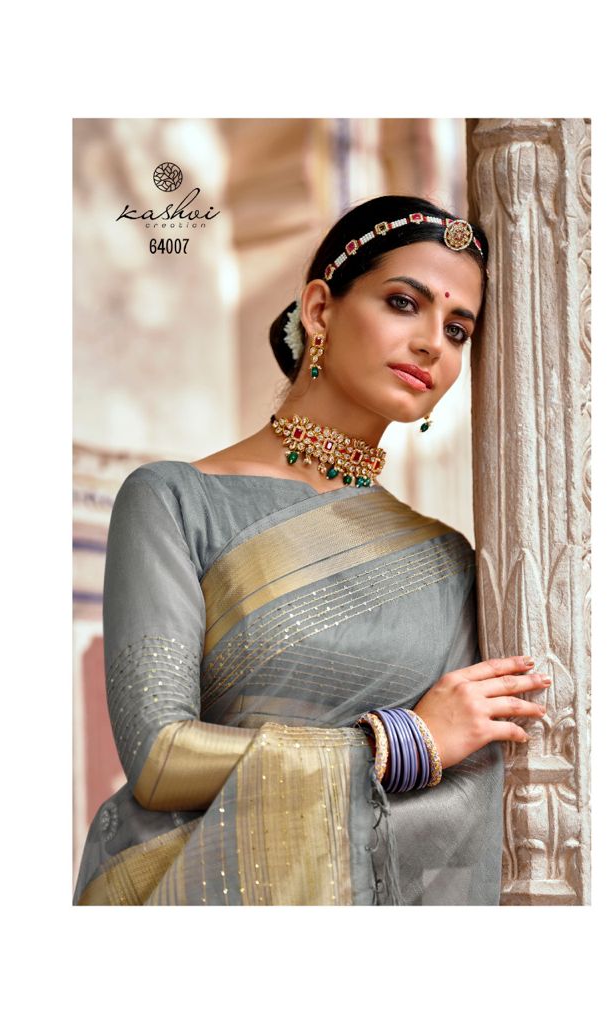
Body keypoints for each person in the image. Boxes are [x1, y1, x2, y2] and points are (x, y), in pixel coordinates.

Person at [73, 194, 550, 906]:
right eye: (403, 303)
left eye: (457, 330)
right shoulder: (174, 500)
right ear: (321, 309)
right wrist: (398, 743)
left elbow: (466, 801)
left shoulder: (450, 563)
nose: (432, 343)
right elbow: (160, 759)